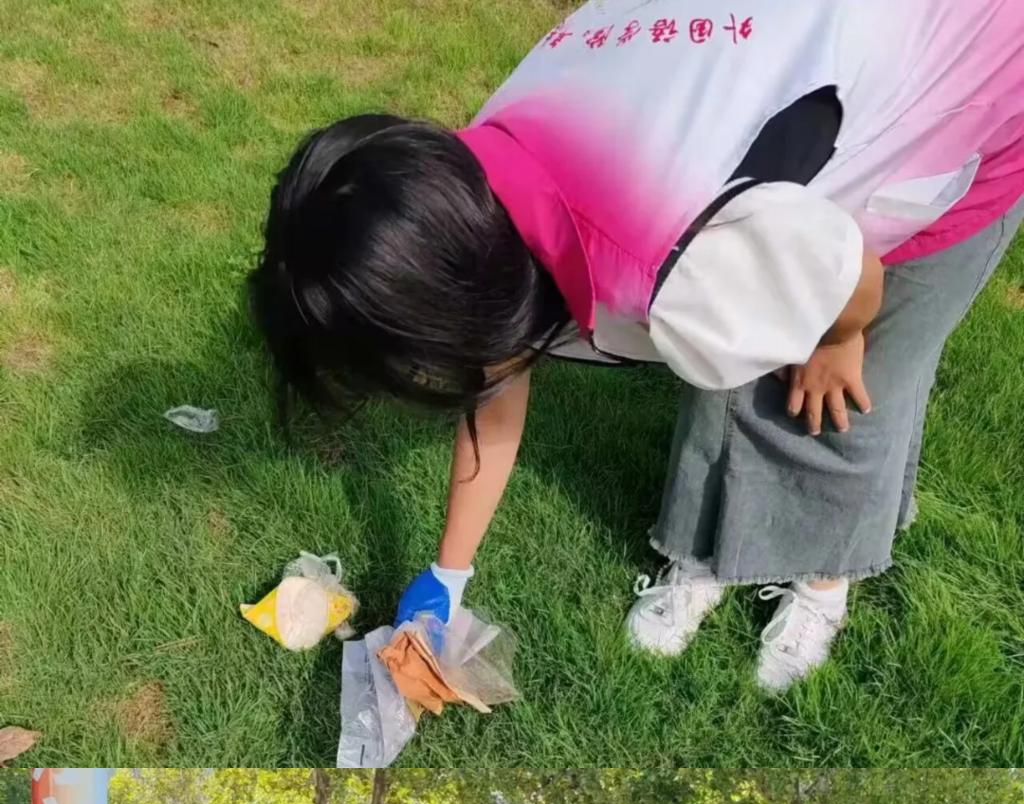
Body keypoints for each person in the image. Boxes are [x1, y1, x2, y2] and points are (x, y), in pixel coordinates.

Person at [250, 0, 1024, 691]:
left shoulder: (667, 263)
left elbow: (854, 270)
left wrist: (839, 332)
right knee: (731, 364)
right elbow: (496, 369)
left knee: (849, 394)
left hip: (965, 87)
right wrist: (447, 576)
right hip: (814, 76)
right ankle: (713, 556)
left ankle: (824, 582)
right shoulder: (472, 175)